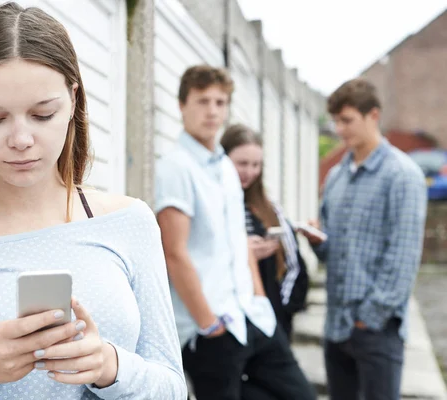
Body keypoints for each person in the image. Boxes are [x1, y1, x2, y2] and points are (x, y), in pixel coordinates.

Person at [0, 3, 186, 399]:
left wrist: (110, 367)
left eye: (43, 114)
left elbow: (173, 389)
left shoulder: (130, 222)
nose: (21, 140)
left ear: (73, 100)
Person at [155, 65, 315, 400]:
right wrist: (209, 323)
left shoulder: (226, 167)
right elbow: (174, 253)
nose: (212, 110)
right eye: (202, 101)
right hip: (213, 327)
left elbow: (238, 240)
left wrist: (259, 298)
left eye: (219, 102)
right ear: (182, 105)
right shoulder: (176, 167)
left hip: (252, 315)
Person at [301, 78, 427, 400]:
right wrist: (318, 242)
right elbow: (334, 253)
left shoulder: (403, 175)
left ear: (373, 115)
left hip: (376, 331)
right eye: (336, 121)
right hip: (335, 327)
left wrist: (367, 321)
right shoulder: (336, 176)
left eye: (347, 120)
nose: (340, 130)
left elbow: (402, 258)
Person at [220, 124, 309, 339]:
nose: (249, 172)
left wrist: (282, 310)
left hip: (269, 320)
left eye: (256, 165)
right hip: (226, 322)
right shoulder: (212, 205)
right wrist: (243, 252)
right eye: (242, 163)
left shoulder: (270, 209)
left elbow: (294, 265)